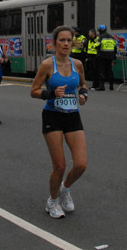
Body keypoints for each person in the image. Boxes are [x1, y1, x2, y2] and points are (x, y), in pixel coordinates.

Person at [30, 25, 88, 219]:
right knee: (60, 166)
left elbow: (83, 85)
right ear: (54, 43)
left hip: (72, 115)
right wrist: (51, 93)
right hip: (52, 116)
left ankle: (65, 189)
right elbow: (34, 90)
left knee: (81, 164)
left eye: (69, 40)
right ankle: (53, 200)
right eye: (61, 40)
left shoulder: (77, 64)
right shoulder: (48, 65)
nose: (65, 44)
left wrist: (83, 95)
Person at [95, 24, 117, 91]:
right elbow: (115, 47)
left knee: (102, 71)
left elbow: (97, 45)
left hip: (102, 56)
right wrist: (113, 55)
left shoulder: (101, 37)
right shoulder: (111, 37)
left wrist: (96, 48)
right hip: (110, 57)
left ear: (100, 31)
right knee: (110, 71)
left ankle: (102, 86)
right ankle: (111, 86)